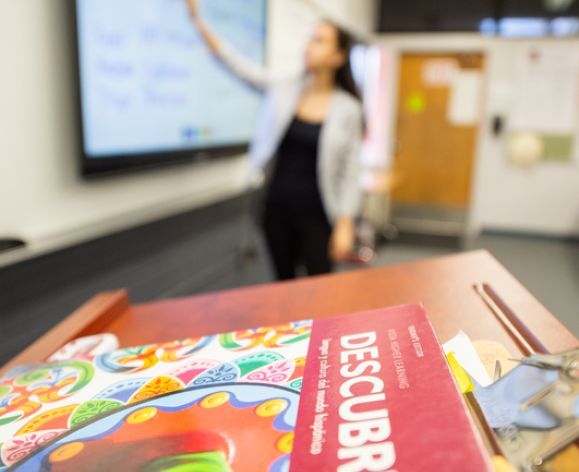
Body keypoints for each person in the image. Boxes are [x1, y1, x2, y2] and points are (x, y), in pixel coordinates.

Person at [187, 0, 364, 281]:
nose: (309, 46)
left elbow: (351, 170)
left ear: (338, 56)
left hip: (318, 214)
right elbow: (240, 67)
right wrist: (200, 24)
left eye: (319, 41)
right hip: (276, 208)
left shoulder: (348, 109)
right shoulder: (285, 88)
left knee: (322, 286)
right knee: (283, 285)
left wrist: (345, 223)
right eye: (310, 39)